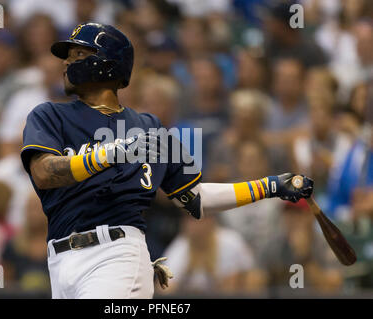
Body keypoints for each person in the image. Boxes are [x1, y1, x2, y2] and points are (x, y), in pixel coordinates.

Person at [20, 22, 314, 299]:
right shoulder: (49, 115)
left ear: (108, 64)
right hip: (59, 260)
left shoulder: (149, 127)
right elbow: (45, 173)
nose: (66, 63)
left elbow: (195, 199)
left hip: (116, 253)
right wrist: (114, 152)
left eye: (79, 54)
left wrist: (270, 186)